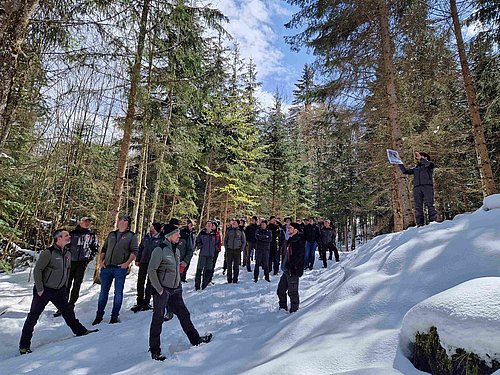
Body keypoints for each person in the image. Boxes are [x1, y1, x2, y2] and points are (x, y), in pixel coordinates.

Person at [19, 229, 97, 354]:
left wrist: (64, 287)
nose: (69, 237)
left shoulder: (67, 253)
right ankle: (24, 346)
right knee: (33, 317)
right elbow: (37, 270)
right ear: (58, 238)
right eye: (66, 235)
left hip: (59, 291)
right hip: (44, 290)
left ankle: (80, 331)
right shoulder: (48, 253)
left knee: (68, 313)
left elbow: (67, 271)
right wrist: (39, 288)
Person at [148, 224, 213, 361]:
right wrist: (159, 289)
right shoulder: (159, 250)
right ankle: (155, 351)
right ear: (169, 235)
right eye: (177, 233)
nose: (179, 235)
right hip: (163, 291)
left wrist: (178, 285)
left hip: (175, 290)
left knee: (184, 314)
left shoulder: (176, 251)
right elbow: (151, 271)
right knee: (158, 319)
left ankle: (195, 340)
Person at [92, 215, 138, 325]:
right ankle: (99, 315)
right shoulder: (112, 234)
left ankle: (114, 316)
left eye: (121, 220)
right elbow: (104, 248)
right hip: (107, 267)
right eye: (119, 220)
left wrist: (127, 263)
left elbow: (134, 251)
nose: (119, 222)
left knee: (118, 292)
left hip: (120, 268)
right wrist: (101, 261)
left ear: (126, 223)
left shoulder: (131, 236)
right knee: (103, 292)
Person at [54, 216, 99, 317]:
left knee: (77, 285)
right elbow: (63, 245)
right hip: (70, 262)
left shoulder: (91, 235)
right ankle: (62, 306)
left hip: (82, 263)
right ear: (81, 222)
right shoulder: (72, 233)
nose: (87, 223)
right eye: (85, 221)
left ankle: (71, 305)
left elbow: (95, 248)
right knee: (66, 284)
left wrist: (89, 258)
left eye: (89, 222)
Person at [399, 151, 437, 226]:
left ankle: (433, 222)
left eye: (422, 157)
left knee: (430, 204)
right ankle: (420, 223)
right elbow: (405, 171)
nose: (420, 158)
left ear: (426, 158)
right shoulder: (416, 168)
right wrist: (399, 162)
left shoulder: (429, 165)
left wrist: (422, 159)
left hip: (427, 186)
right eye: (419, 157)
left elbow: (428, 164)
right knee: (418, 206)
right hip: (417, 188)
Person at [131, 222, 163, 313]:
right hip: (143, 262)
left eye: (152, 227)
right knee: (140, 281)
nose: (150, 228)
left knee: (150, 282)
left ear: (156, 228)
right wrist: (138, 259)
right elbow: (140, 248)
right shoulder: (146, 237)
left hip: (153, 263)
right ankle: (139, 301)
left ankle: (146, 301)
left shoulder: (161, 239)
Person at [277, 223, 305, 313]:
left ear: (296, 230)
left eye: (290, 228)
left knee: (292, 292)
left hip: (293, 270)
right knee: (280, 291)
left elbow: (299, 257)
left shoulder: (298, 241)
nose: (288, 229)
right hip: (286, 270)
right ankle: (282, 308)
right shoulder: (289, 240)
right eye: (287, 228)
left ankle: (294, 311)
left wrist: (291, 266)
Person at [195, 220, 219, 290]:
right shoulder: (202, 233)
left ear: (212, 226)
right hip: (203, 254)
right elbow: (197, 241)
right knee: (199, 270)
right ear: (205, 225)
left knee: (208, 270)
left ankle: (204, 285)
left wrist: (215, 249)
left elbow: (216, 243)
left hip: (210, 255)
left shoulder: (214, 234)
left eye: (210, 224)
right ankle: (197, 285)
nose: (209, 225)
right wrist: (200, 246)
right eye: (207, 224)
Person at [224, 219, 246, 283]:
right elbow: (225, 240)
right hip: (229, 250)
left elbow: (243, 241)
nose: (233, 224)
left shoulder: (241, 231)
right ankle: (229, 279)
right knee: (229, 265)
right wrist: (226, 248)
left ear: (238, 224)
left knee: (236, 266)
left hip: (237, 251)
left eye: (235, 223)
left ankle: (235, 279)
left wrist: (241, 249)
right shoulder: (229, 231)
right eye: (233, 223)